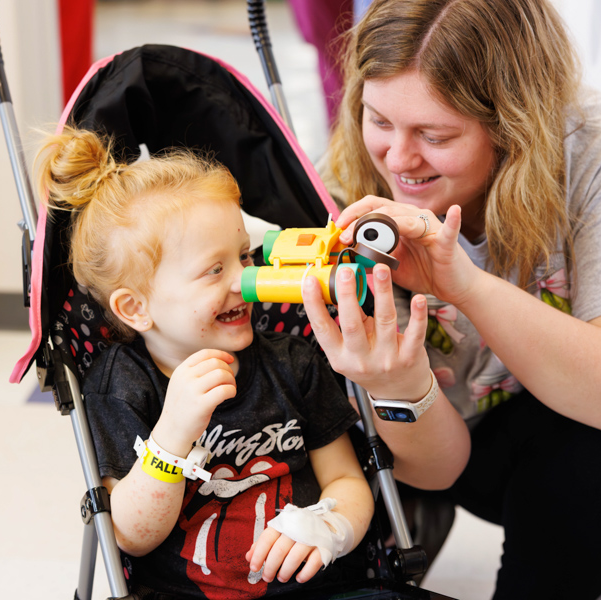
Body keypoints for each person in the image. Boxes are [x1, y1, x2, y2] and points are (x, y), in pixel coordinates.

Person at [302, 1, 601, 598]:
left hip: (545, 427)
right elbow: (435, 468)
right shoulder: (344, 201)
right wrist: (399, 388)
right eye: (379, 121)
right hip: (423, 444)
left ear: (513, 124)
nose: (399, 160)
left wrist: (469, 287)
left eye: (435, 135)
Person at [33, 127, 377, 599]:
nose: (245, 279)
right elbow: (131, 536)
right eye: (215, 269)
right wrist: (171, 436)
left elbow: (344, 478)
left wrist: (334, 526)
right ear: (136, 308)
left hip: (318, 587)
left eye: (243, 255)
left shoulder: (293, 363)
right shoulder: (121, 386)